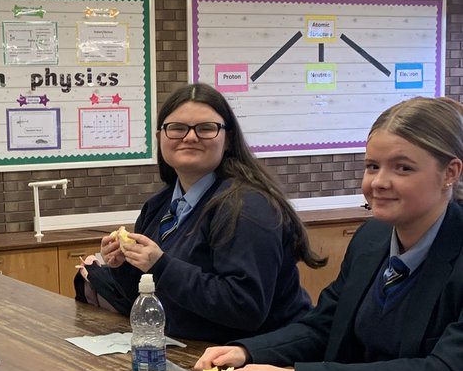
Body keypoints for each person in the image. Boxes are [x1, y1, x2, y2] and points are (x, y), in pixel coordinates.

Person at [195, 96, 463, 371]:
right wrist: (247, 351)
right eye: (372, 167)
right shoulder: (370, 239)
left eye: (402, 168)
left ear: (450, 172)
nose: (379, 182)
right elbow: (323, 327)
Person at [75, 82, 322, 341]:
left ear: (228, 140)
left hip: (261, 364)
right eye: (177, 128)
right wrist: (121, 266)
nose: (190, 137)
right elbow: (149, 298)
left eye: (206, 128)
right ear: (160, 137)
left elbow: (246, 307)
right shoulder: (158, 206)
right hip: (189, 351)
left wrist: (161, 265)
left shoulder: (247, 207)